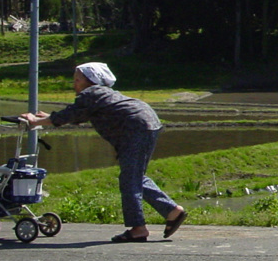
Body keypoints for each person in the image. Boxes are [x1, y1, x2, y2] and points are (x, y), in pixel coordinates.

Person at [21, 62, 186, 243]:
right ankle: (171, 211)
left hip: (135, 127)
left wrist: (35, 121)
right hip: (146, 122)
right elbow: (76, 115)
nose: (74, 84)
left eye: (77, 79)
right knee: (135, 176)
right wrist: (47, 118)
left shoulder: (91, 93)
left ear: (90, 80)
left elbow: (68, 116)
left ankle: (138, 228)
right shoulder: (99, 95)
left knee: (130, 179)